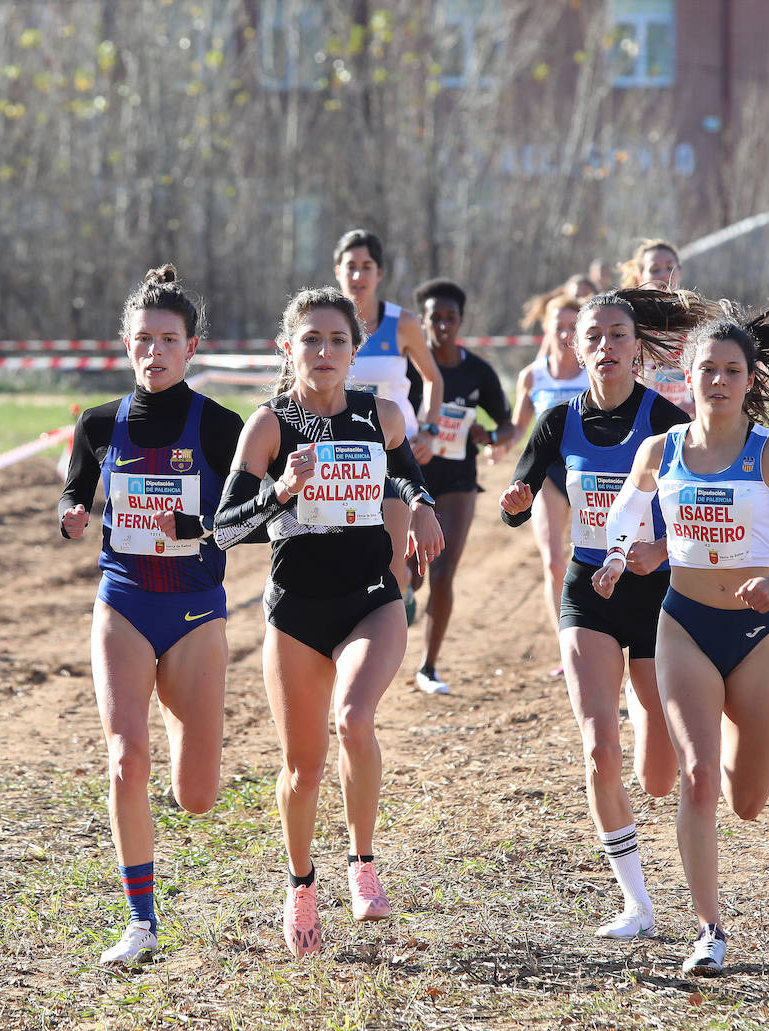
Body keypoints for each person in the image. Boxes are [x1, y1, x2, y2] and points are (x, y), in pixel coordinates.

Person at [594, 301, 769, 976]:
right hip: (684, 623)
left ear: (748, 378)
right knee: (698, 776)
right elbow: (626, 507)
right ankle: (709, 928)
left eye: (731, 370)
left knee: (749, 798)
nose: (718, 380)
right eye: (706, 368)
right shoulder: (663, 448)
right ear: (687, 375)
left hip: (763, 634)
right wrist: (621, 553)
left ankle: (746, 744)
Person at [213, 286, 444, 958]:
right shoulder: (268, 425)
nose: (323, 351)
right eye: (310, 339)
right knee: (301, 768)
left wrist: (423, 503)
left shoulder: (382, 414)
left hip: (371, 599)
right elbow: (225, 530)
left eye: (337, 340)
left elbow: (403, 476)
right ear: (290, 348)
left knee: (354, 716)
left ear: (355, 349)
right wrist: (279, 489)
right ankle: (301, 885)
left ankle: (362, 863)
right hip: (295, 612)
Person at [499, 287, 710, 940]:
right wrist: (514, 500)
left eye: (618, 334)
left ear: (636, 345)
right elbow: (520, 496)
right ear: (575, 345)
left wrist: (658, 549)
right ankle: (637, 905)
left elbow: (707, 509)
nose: (606, 347)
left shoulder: (666, 419)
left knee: (655, 773)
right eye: (594, 336)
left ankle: (656, 758)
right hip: (588, 591)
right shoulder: (559, 420)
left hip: (653, 596)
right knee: (598, 750)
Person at [57, 265, 244, 966]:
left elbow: (250, 520)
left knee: (195, 796)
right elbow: (75, 489)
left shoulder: (220, 426)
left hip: (196, 613)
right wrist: (73, 514)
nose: (155, 352)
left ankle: (175, 699)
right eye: (143, 340)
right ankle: (141, 920)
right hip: (124, 603)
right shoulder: (99, 422)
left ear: (192, 346)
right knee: (124, 760)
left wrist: (198, 522)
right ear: (126, 344)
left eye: (169, 339)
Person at [407, 277, 516, 695]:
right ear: (423, 321)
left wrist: (489, 436)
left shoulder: (478, 370)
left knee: (444, 569)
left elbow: (506, 426)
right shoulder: (409, 367)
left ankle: (429, 666)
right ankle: (396, 624)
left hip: (458, 484)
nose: (443, 325)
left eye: (451, 318)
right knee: (410, 574)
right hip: (411, 481)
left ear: (461, 320)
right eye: (435, 318)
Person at [333, 228, 444, 619]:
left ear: (379, 273)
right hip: (341, 458)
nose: (358, 276)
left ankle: (399, 597)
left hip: (395, 456)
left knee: (392, 569)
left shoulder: (403, 323)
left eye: (367, 267)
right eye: (351, 267)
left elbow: (433, 379)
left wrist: (429, 430)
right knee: (345, 566)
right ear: (338, 271)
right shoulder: (328, 327)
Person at [505, 292, 591, 651]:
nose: (566, 335)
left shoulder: (594, 372)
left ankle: (604, 634)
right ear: (546, 329)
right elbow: (516, 427)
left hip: (590, 473)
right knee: (555, 563)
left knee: (597, 558)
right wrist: (490, 437)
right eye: (559, 327)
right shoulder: (532, 376)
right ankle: (568, 647)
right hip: (548, 475)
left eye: (574, 328)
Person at [618, 239, 693, 415]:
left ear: (679, 272)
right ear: (640, 277)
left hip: (685, 417)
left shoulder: (694, 316)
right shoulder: (629, 317)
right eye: (654, 269)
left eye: (670, 267)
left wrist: (695, 401)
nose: (663, 274)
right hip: (643, 414)